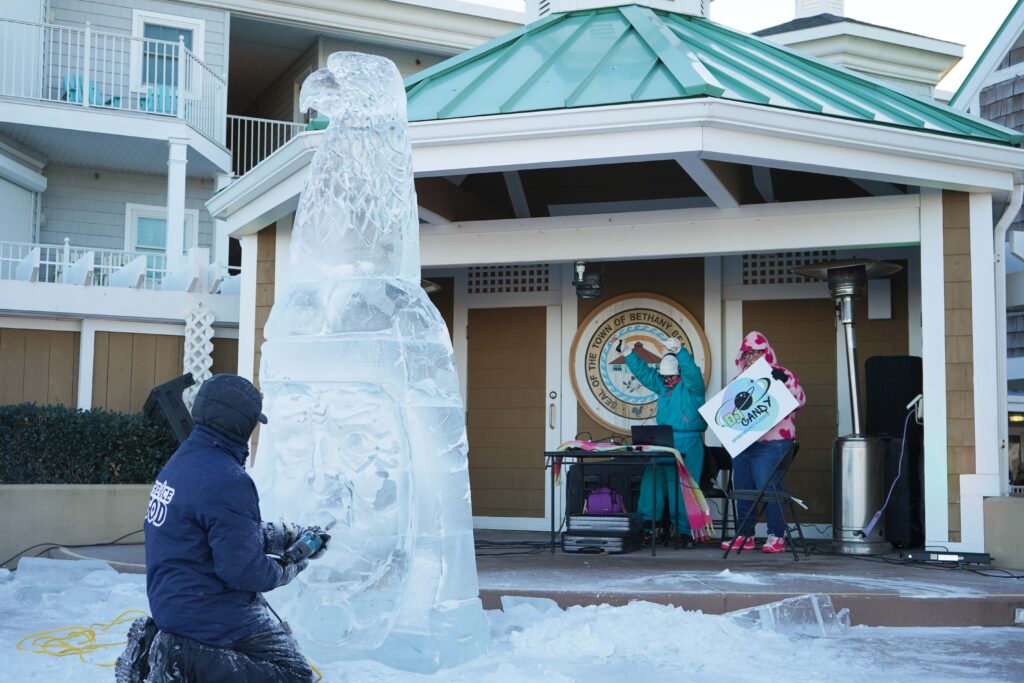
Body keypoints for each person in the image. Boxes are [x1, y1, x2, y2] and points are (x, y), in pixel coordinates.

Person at [115, 374, 330, 683]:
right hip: (208, 614)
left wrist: (288, 534)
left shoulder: (184, 462)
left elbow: (222, 533)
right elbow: (243, 571)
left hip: (177, 603)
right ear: (242, 424)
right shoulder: (228, 479)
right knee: (292, 674)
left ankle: (180, 651)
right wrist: (290, 565)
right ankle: (178, 658)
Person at [720, 331, 807, 555]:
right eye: (747, 353)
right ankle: (744, 535)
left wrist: (784, 383)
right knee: (743, 488)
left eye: (756, 352)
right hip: (744, 444)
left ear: (766, 352)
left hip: (774, 442)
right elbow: (728, 412)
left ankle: (777, 535)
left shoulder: (782, 373)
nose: (751, 357)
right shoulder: (739, 381)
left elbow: (800, 401)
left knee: (767, 487)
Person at [617, 336, 707, 547]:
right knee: (652, 483)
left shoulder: (693, 388)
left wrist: (681, 351)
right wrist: (629, 353)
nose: (667, 381)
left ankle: (687, 533)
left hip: (688, 441)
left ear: (679, 374)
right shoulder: (664, 387)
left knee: (684, 487)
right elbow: (645, 374)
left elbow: (693, 373)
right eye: (665, 378)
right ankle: (649, 527)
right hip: (663, 440)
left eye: (671, 378)